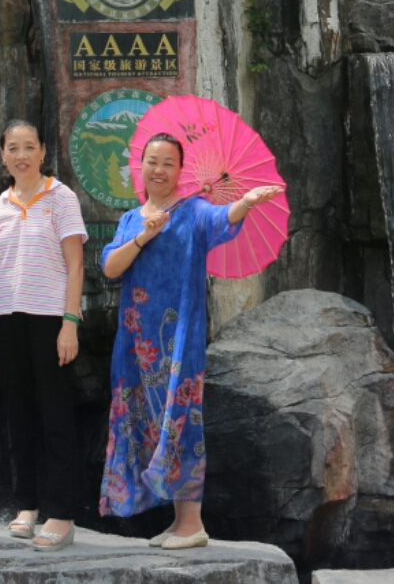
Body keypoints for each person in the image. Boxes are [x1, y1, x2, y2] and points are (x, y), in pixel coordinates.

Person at [98, 133, 284, 549]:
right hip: (135, 341)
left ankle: (193, 523)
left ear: (180, 171)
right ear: (141, 166)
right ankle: (178, 521)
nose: (159, 169)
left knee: (180, 418)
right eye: (153, 161)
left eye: (168, 163)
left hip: (178, 338)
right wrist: (144, 235)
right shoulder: (130, 219)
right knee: (144, 419)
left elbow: (222, 219)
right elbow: (110, 266)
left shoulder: (194, 211)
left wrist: (245, 202)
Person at [0, 120, 87, 551]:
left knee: (55, 415)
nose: (20, 155)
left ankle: (62, 514)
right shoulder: (0, 205)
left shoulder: (62, 198)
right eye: (12, 148)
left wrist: (69, 323)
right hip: (3, 317)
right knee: (18, 415)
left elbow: (75, 265)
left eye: (28, 147)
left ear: (42, 152)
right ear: (2, 155)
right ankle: (26, 505)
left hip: (48, 317)